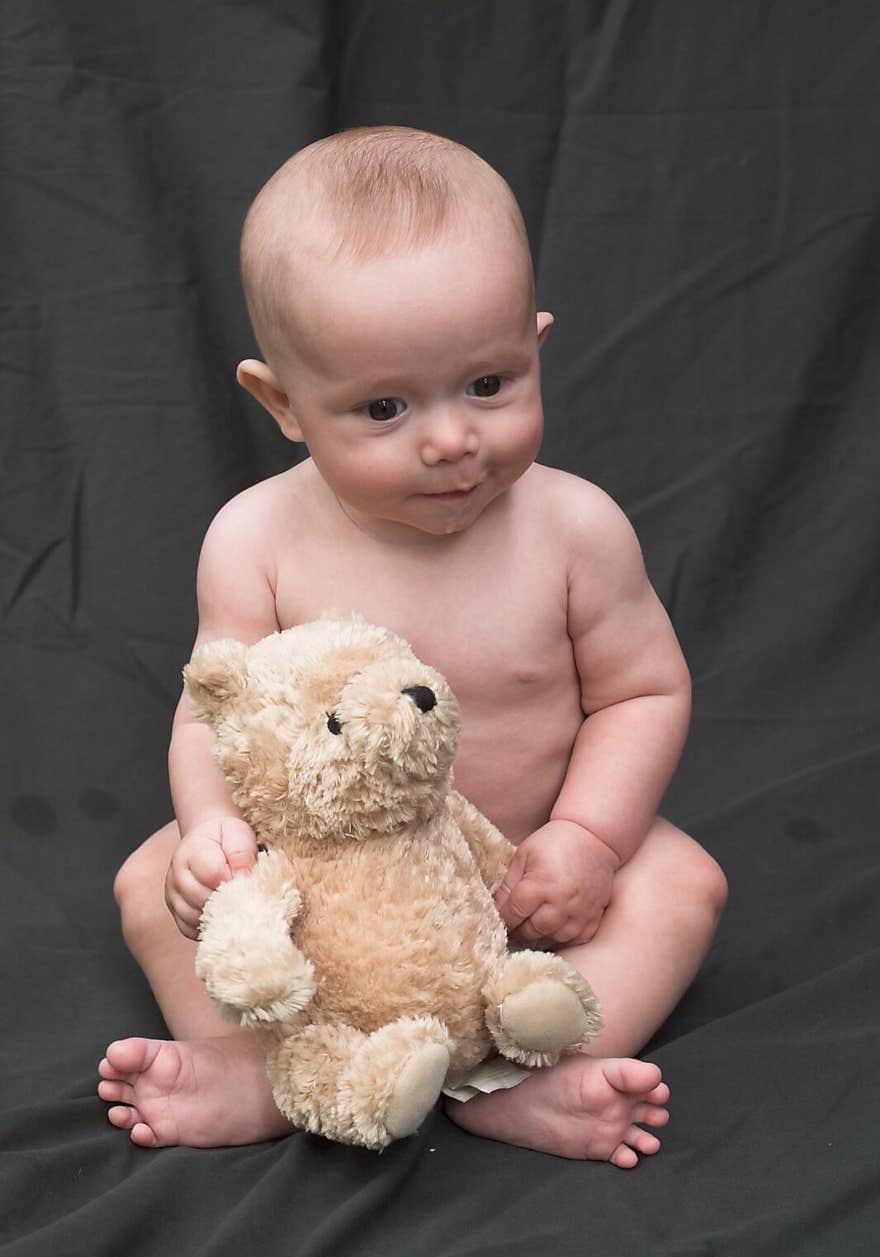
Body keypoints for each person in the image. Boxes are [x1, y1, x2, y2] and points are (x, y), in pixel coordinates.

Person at [98, 125, 727, 1164]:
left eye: (488, 383)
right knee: (148, 882)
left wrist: (589, 839)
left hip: (524, 890)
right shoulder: (254, 539)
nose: (450, 439)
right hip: (329, 897)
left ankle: (519, 1074)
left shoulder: (574, 529)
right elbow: (212, 708)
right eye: (384, 407)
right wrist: (209, 826)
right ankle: (266, 1068)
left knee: (682, 881)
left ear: (534, 342)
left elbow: (642, 692)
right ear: (284, 404)